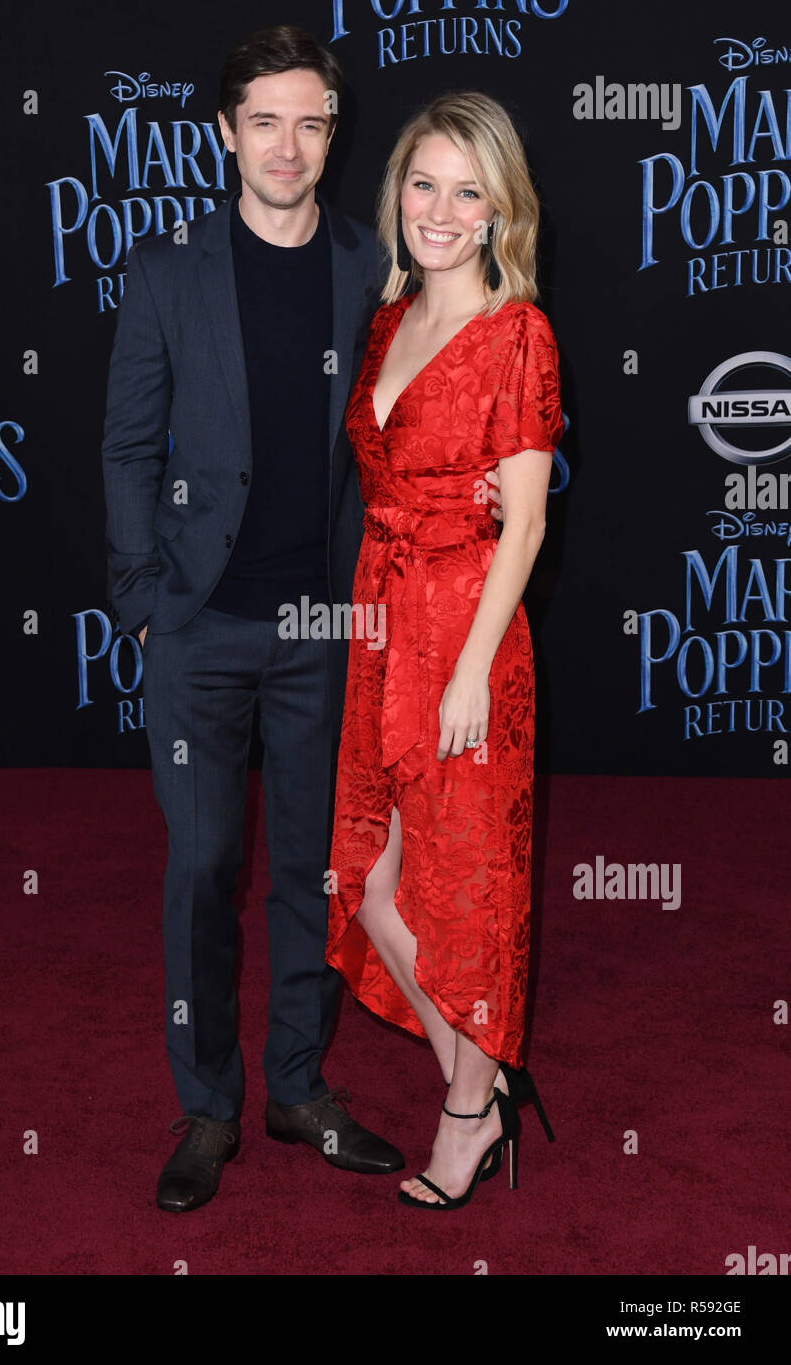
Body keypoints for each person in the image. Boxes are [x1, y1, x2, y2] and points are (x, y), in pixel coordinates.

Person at [102, 28, 505, 1213]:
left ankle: (295, 1087)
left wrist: (482, 482)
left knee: (317, 874)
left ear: (334, 135)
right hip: (196, 625)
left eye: (311, 121)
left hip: (329, 629)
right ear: (225, 132)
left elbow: (440, 387)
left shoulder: (364, 268)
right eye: (263, 120)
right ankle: (208, 1105)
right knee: (200, 867)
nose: (287, 145)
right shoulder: (166, 269)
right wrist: (139, 600)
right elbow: (127, 449)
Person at [326, 90, 562, 1209]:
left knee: (459, 897)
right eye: (423, 183)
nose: (439, 208)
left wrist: (470, 666)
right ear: (397, 195)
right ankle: (480, 1088)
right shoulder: (386, 320)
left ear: (496, 211)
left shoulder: (516, 332)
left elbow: (523, 521)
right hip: (383, 625)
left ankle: (465, 1114)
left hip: (465, 638)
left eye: (467, 190)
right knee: (370, 882)